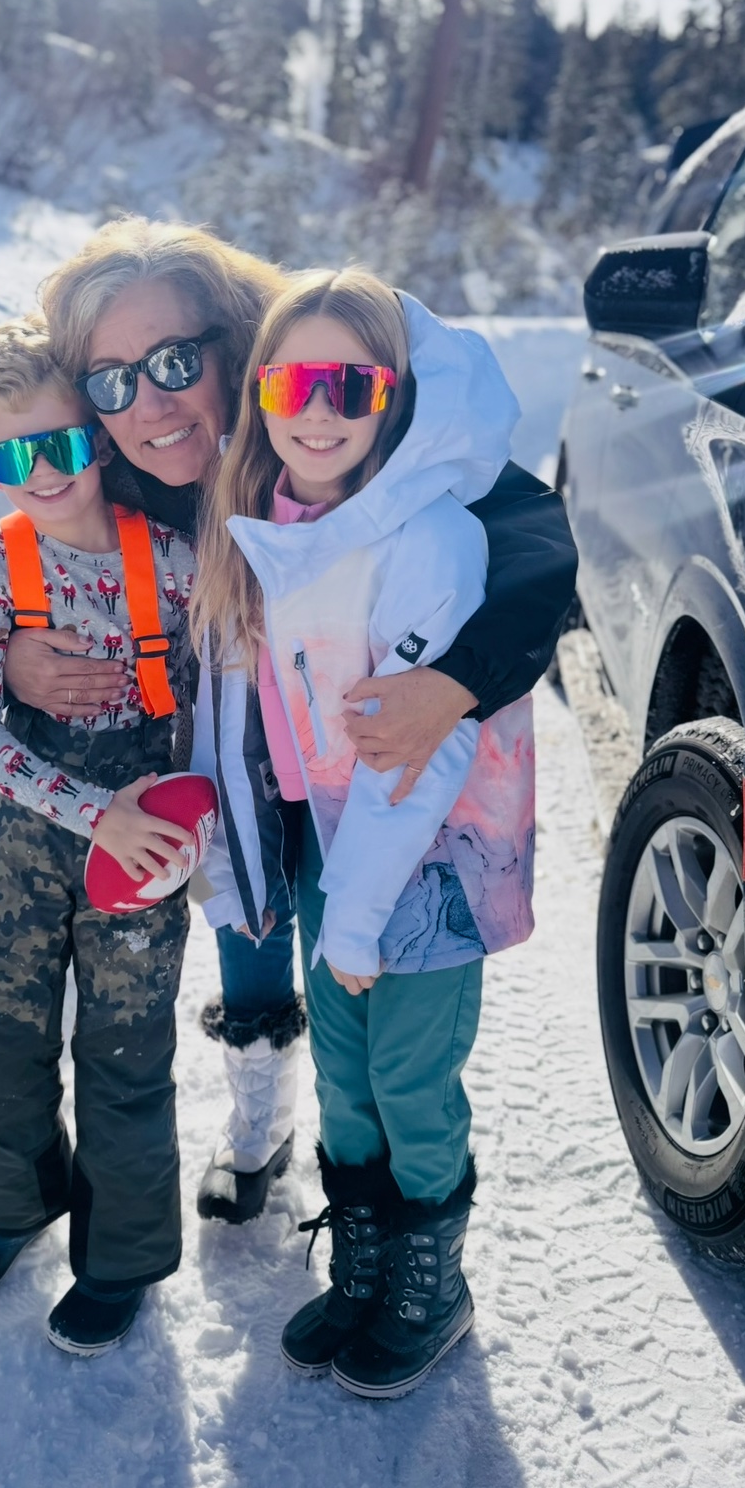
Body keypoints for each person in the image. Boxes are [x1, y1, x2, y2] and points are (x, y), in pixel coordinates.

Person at [2, 217, 576, 1227]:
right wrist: (13, 653)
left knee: (364, 991)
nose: (151, 402)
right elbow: (29, 553)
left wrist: (457, 681)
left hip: (361, 752)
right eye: (114, 380)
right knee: (251, 932)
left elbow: (530, 542)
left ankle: (395, 1213)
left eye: (176, 362)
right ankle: (258, 1129)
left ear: (236, 346)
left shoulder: (324, 409)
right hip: (245, 762)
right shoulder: (119, 469)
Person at [190, 268, 535, 1400]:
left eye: (350, 384)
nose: (319, 410)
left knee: (409, 1078)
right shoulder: (271, 527)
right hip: (336, 848)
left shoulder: (427, 538)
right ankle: (368, 1263)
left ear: (393, 397)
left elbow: (420, 752)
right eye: (293, 382)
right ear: (261, 393)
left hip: (426, 863)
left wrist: (360, 912)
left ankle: (433, 1285)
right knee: (344, 1072)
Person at [0, 314, 198, 1357]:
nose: (40, 473)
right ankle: (12, 1204)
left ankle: (120, 1259)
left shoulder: (172, 559)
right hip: (22, 843)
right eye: (10, 457)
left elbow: (221, 693)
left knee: (127, 1050)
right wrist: (95, 812)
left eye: (58, 443)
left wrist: (176, 816)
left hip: (143, 848)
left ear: (97, 431)